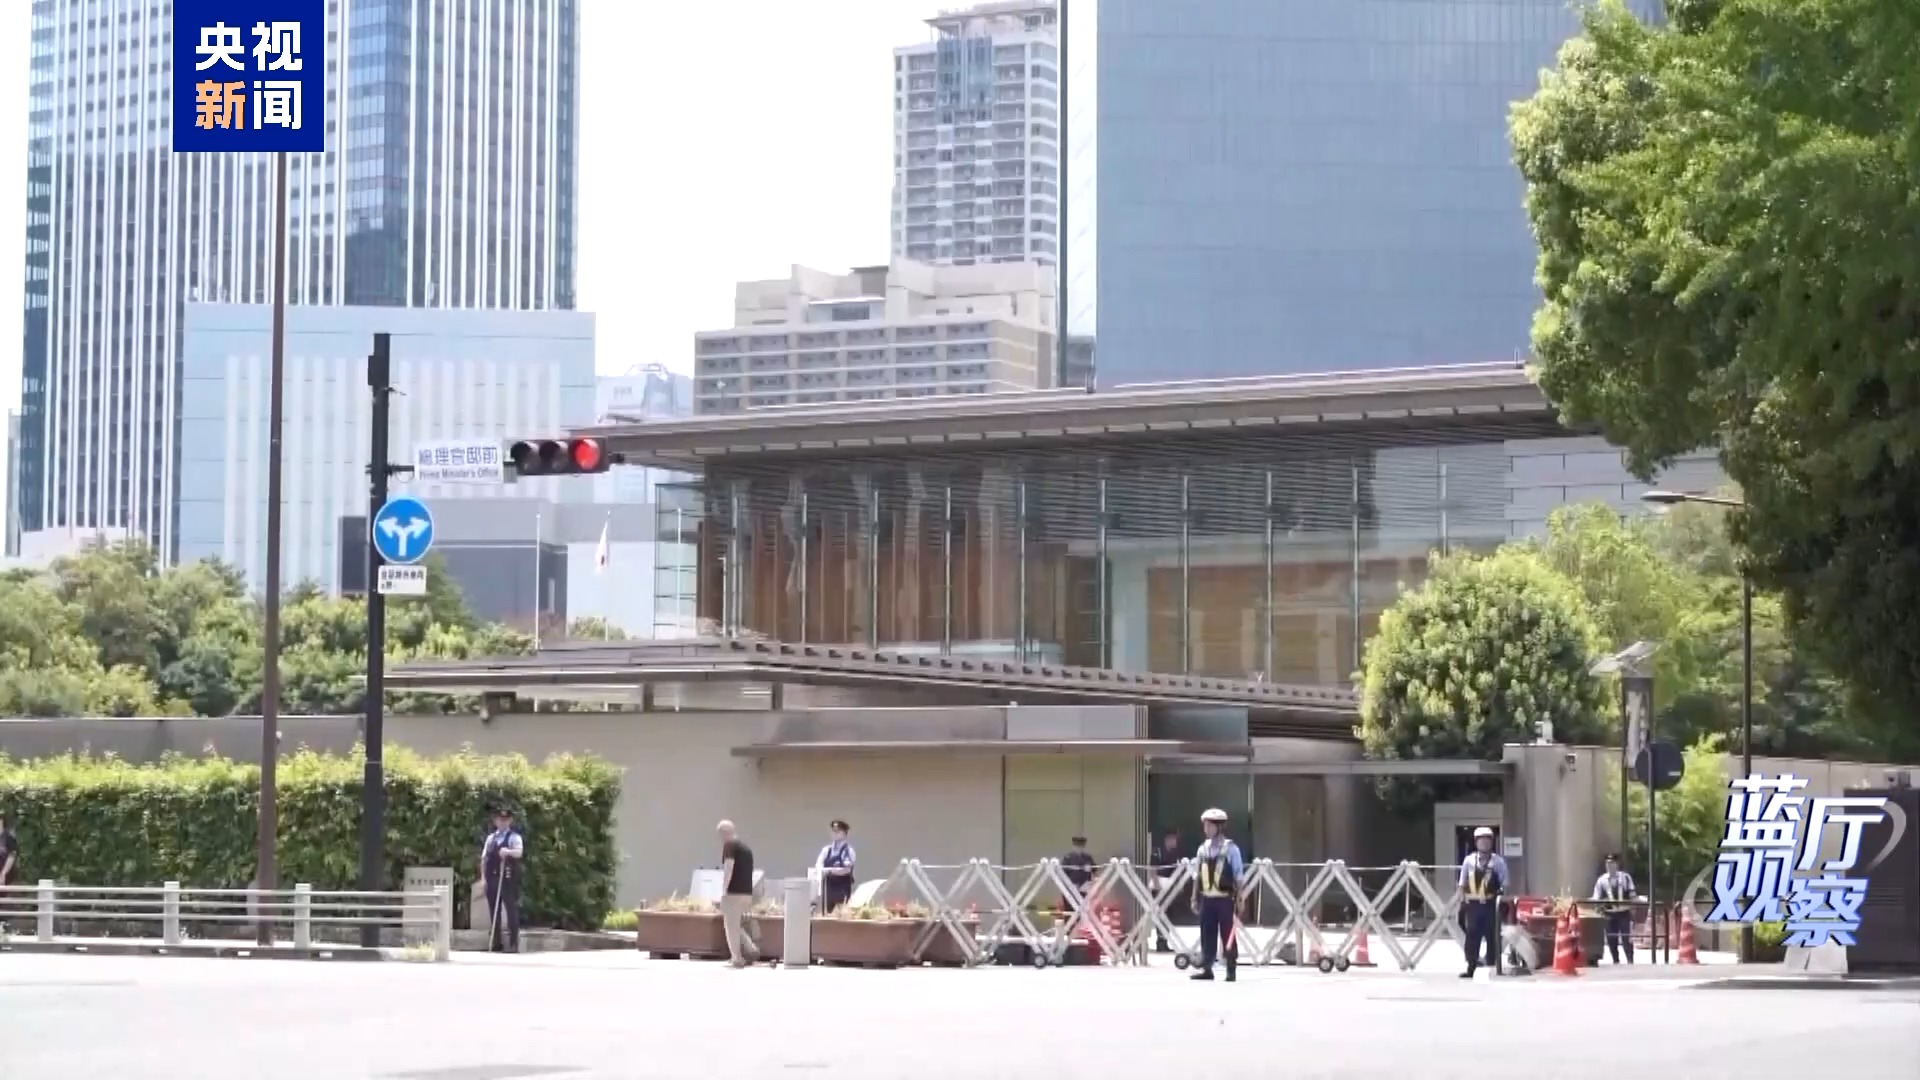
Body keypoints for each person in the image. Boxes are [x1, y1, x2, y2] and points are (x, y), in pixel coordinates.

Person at [1189, 809, 1244, 983]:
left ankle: (1231, 969)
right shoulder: (1202, 849)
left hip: (1225, 899)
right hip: (1207, 898)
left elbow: (1239, 876)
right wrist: (1193, 897)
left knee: (1228, 933)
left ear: (1219, 827)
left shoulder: (1231, 849)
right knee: (1207, 932)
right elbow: (1197, 875)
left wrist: (1241, 899)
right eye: (1205, 825)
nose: (1206, 828)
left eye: (1209, 825)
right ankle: (1207, 968)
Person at [1458, 826, 1508, 978]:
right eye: (1481, 841)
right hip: (1472, 905)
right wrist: (1462, 900)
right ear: (1476, 842)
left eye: (1487, 840)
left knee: (1492, 935)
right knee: (1472, 935)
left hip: (1490, 905)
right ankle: (1471, 965)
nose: (1484, 844)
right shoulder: (1469, 861)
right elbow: (1462, 883)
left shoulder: (1498, 862)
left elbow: (1505, 884)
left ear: (1492, 842)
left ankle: (1492, 964)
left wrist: (1500, 899)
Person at [479, 807, 524, 953]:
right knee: (494, 911)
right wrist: (483, 879)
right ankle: (496, 942)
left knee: (511, 909)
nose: (503, 822)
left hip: (507, 878)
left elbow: (519, 852)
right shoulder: (491, 838)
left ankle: (513, 943)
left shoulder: (514, 837)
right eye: (500, 820)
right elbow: (484, 859)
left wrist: (508, 852)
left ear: (510, 821)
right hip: (492, 877)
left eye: (505, 820)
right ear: (496, 821)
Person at [717, 820, 761, 967]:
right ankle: (750, 948)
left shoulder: (730, 846)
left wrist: (724, 891)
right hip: (746, 893)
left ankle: (737, 958)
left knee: (730, 925)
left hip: (734, 892)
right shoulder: (746, 849)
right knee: (738, 925)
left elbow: (729, 868)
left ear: (724, 832)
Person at [1593, 853, 1637, 964]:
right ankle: (1615, 961)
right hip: (1609, 913)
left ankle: (1630, 960)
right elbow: (1596, 897)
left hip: (1623, 912)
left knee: (1626, 938)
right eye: (1608, 863)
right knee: (1611, 939)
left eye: (1612, 863)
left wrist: (1634, 906)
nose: (1610, 866)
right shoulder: (1601, 880)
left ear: (1617, 864)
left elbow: (1632, 894)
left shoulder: (1625, 877)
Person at [1150, 829, 1182, 952]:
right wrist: (1157, 886)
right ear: (1167, 839)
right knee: (1160, 914)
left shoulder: (1175, 854)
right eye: (1173, 839)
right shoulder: (1157, 852)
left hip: (1170, 886)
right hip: (1159, 886)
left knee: (1169, 915)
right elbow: (1152, 869)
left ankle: (1165, 940)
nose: (1175, 842)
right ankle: (1160, 942)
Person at [816, 819, 857, 914]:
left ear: (844, 833)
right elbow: (818, 864)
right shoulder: (826, 850)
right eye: (833, 831)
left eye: (838, 831)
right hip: (828, 888)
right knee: (827, 913)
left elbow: (846, 870)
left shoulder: (848, 851)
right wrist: (822, 871)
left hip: (842, 888)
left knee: (841, 914)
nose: (835, 833)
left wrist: (829, 870)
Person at [1060, 835, 1096, 900]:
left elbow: (1094, 869)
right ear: (1074, 846)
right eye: (1077, 846)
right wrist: (1070, 884)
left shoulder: (1087, 858)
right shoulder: (1068, 857)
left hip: (1084, 887)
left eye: (1081, 846)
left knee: (1083, 907)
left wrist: (1090, 869)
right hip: (1071, 887)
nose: (1079, 848)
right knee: (1070, 907)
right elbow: (1063, 872)